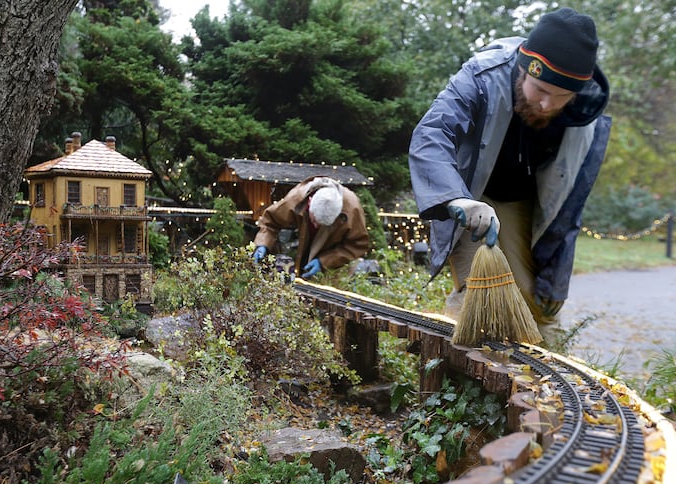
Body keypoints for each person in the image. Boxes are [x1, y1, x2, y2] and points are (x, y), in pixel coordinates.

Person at [408, 7, 611, 343]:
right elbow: (433, 133)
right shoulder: (482, 76)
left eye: (561, 97)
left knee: (533, 303)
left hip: (526, 202)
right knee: (478, 294)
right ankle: (460, 378)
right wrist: (456, 197)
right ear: (523, 70)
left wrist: (555, 283)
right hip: (470, 190)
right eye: (540, 90)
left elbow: (569, 210)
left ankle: (544, 385)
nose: (547, 105)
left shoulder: (587, 120)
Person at [253, 176, 370, 279]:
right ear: (309, 203)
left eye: (322, 225)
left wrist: (324, 261)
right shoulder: (296, 199)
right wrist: (263, 244)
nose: (316, 226)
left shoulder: (352, 209)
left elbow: (357, 245)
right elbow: (270, 221)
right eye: (314, 220)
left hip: (333, 263)